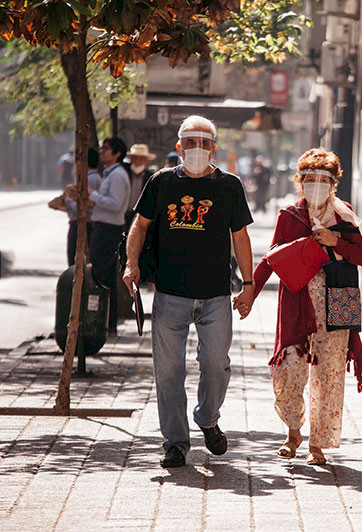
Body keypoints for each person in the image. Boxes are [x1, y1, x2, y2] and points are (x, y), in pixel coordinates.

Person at [122, 115, 254, 468]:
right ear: (179, 147)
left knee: (216, 365)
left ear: (214, 147)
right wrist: (131, 263)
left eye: (205, 143)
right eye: (190, 143)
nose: (197, 149)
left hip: (215, 296)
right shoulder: (161, 182)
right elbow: (140, 225)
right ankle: (176, 443)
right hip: (170, 294)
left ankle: (208, 419)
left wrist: (250, 285)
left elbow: (241, 237)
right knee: (168, 373)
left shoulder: (230, 186)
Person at [251, 148, 362, 465]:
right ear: (299, 182)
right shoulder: (289, 216)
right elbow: (270, 257)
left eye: (323, 180)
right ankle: (293, 432)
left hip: (337, 304)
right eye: (310, 179)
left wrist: (336, 242)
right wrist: (251, 291)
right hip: (298, 303)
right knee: (291, 369)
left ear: (333, 184)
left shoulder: (344, 216)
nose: (316, 184)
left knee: (328, 376)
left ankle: (316, 445)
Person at [66, 137, 130, 334]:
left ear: (117, 153)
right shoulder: (110, 175)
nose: (101, 151)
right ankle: (106, 323)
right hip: (105, 229)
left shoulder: (117, 176)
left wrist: (92, 195)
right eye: (101, 148)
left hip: (108, 230)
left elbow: (116, 204)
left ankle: (97, 322)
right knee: (106, 278)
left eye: (106, 148)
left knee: (98, 277)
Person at [62, 148, 101, 266]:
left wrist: (67, 200)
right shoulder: (93, 177)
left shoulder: (89, 179)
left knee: (76, 262)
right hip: (83, 224)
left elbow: (83, 205)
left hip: (82, 224)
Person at [124, 144, 156, 226]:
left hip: (139, 217)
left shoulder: (151, 178)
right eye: (135, 158)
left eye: (141, 158)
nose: (137, 162)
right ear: (130, 159)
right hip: (122, 215)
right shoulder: (124, 173)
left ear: (146, 161)